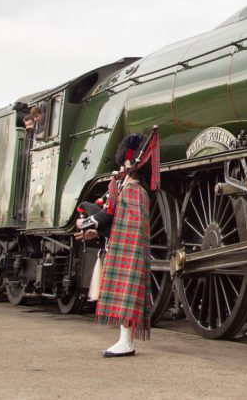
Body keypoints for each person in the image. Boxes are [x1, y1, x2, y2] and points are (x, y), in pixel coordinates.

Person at [77, 130, 160, 358]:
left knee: (126, 294)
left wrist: (87, 222)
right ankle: (124, 341)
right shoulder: (132, 190)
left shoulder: (132, 191)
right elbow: (119, 222)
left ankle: (126, 343)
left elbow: (117, 220)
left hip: (128, 250)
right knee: (125, 294)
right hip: (126, 247)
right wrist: (96, 231)